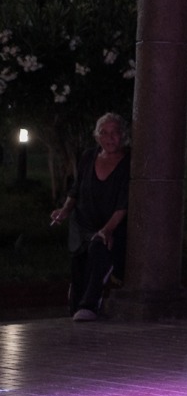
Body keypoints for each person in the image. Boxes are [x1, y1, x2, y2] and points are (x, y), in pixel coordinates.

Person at [49, 112, 130, 321]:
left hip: (110, 226)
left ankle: (90, 304)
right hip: (83, 222)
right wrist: (64, 211)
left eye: (114, 133)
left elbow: (124, 203)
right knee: (78, 268)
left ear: (122, 135)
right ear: (97, 136)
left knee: (99, 249)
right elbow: (75, 190)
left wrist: (107, 230)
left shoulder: (129, 162)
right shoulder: (88, 156)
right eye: (104, 133)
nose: (109, 138)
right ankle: (77, 305)